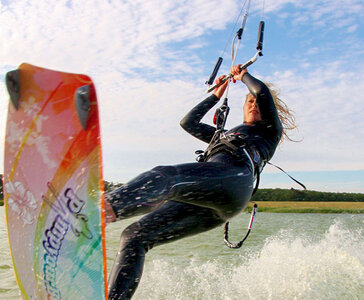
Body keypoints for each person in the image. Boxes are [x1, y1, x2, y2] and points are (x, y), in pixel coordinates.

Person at [105, 64, 296, 299]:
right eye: (249, 103)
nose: (254, 105)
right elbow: (188, 123)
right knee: (134, 235)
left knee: (166, 176)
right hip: (212, 203)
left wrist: (242, 75)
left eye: (256, 103)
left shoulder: (269, 131)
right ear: (243, 108)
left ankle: (102, 210)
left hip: (235, 180)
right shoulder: (224, 134)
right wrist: (215, 96)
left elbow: (262, 92)